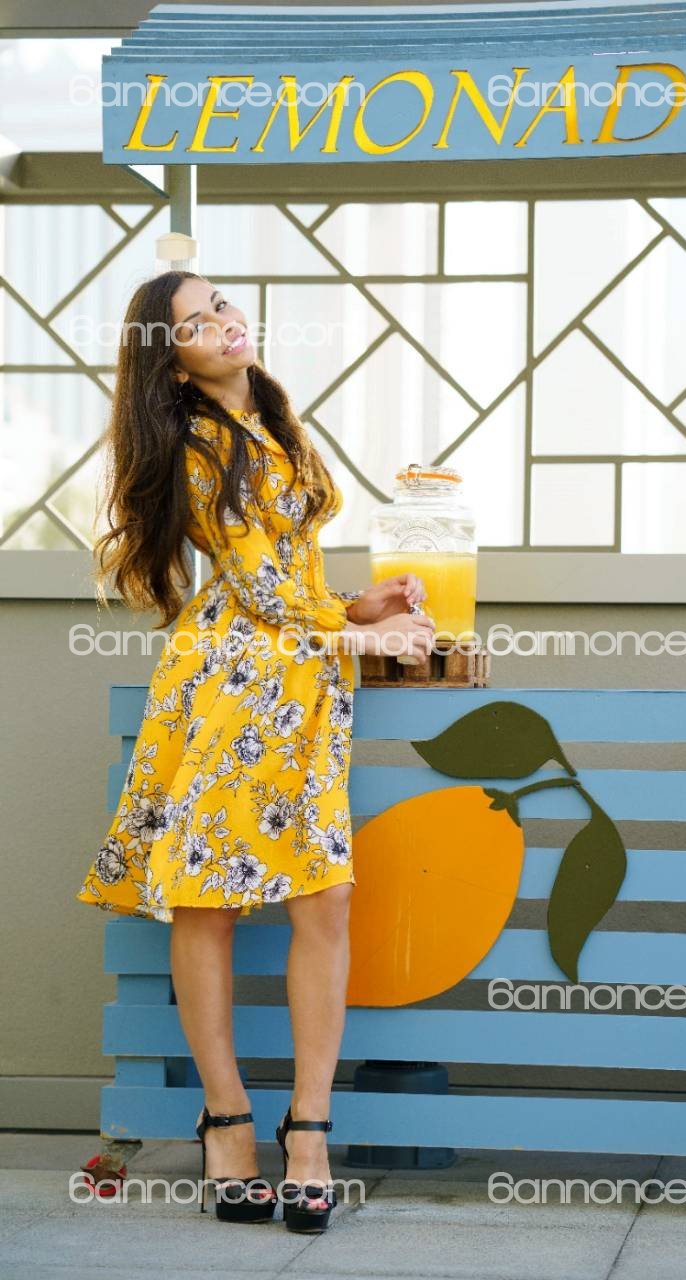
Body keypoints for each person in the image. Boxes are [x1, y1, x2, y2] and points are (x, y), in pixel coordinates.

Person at [75, 270, 436, 1230]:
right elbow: (256, 590)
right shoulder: (196, 443)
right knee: (209, 900)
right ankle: (226, 1119)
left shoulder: (273, 417)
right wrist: (364, 636)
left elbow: (289, 579)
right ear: (173, 363)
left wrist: (360, 605)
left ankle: (307, 1127)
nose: (222, 324)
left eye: (222, 305)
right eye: (194, 324)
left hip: (302, 683)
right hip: (232, 683)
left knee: (325, 896)